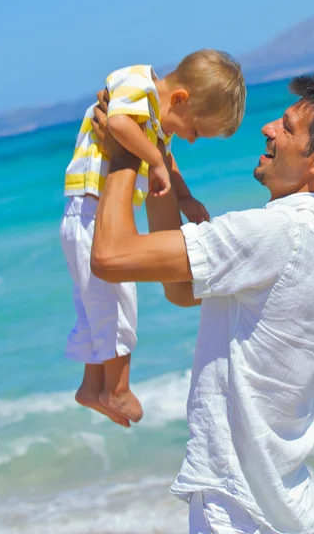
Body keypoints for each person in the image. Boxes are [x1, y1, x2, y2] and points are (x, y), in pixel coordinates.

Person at [90, 73, 314, 533]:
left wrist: (122, 151)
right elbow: (181, 290)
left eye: (288, 128)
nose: (269, 128)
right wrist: (159, 165)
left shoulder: (276, 232)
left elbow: (110, 257)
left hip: (236, 507)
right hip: (278, 503)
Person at [60, 50, 246, 428]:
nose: (191, 140)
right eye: (195, 130)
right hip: (90, 210)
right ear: (180, 99)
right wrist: (156, 162)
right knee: (116, 296)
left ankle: (92, 384)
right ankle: (118, 388)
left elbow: (166, 158)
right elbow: (117, 125)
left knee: (93, 301)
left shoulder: (156, 124)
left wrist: (185, 196)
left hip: (89, 214)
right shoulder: (137, 83)